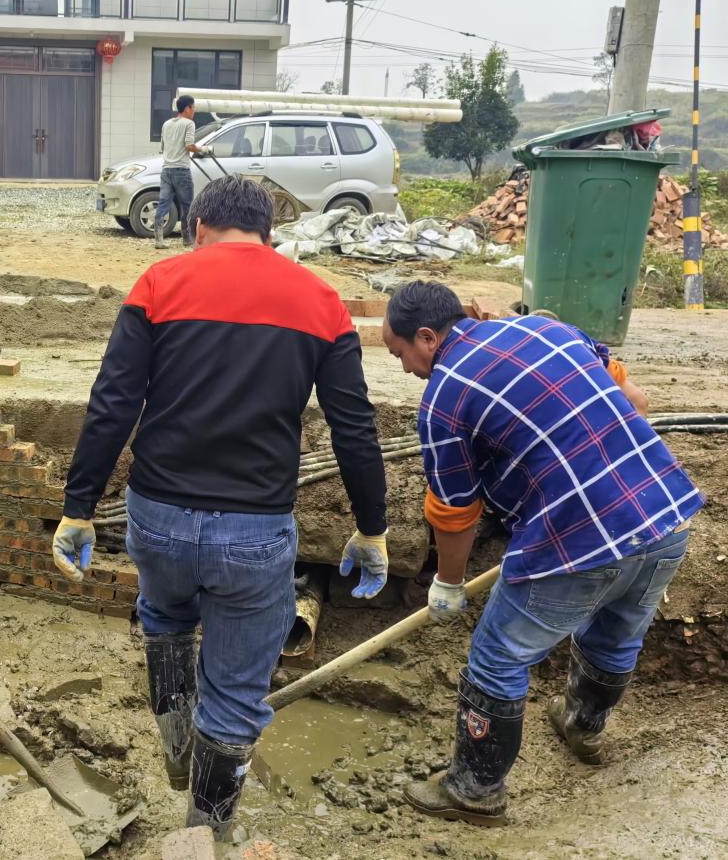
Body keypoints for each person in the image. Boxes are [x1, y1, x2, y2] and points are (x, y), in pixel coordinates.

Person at [53, 176, 389, 838]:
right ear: (269, 234)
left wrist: (78, 508)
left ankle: (178, 750)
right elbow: (354, 426)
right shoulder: (319, 301)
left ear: (200, 227)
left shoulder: (159, 285)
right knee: (235, 700)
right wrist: (372, 527)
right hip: (255, 532)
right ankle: (205, 832)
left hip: (158, 519)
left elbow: (113, 402)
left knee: (166, 617)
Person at [380, 281, 703, 827]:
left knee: (497, 657)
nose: (406, 369)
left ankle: (475, 790)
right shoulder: (547, 328)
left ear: (429, 338)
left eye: (400, 353)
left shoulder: (445, 395)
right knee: (616, 633)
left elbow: (457, 512)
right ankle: (582, 727)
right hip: (665, 513)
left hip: (576, 545)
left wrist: (451, 584)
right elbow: (632, 397)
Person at [154, 95, 205, 250]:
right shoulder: (189, 123)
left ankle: (159, 240)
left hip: (166, 170)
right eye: (193, 108)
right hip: (181, 170)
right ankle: (187, 238)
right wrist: (202, 149)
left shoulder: (166, 124)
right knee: (187, 206)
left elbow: (163, 147)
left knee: (163, 203)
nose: (194, 111)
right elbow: (189, 145)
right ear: (187, 108)